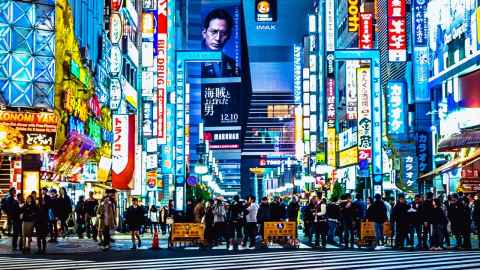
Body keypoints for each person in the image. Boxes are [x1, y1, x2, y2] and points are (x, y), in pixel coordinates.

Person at [201, 8, 240, 77]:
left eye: (223, 33)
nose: (218, 38)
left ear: (229, 36)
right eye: (213, 32)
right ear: (204, 33)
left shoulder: (233, 65)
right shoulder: (192, 61)